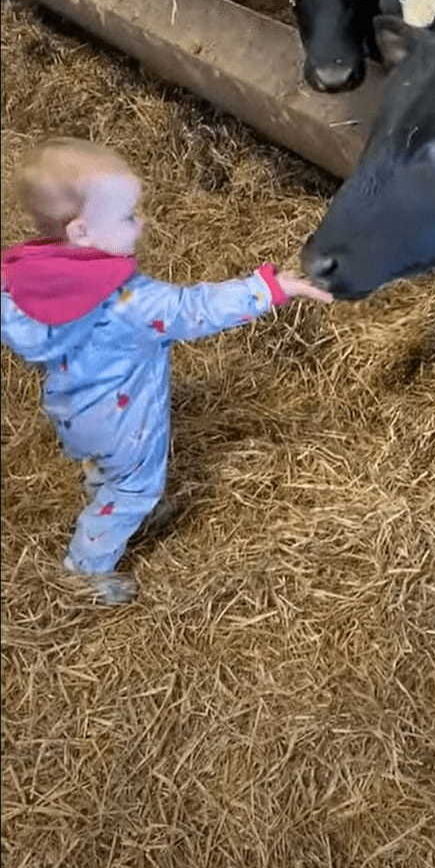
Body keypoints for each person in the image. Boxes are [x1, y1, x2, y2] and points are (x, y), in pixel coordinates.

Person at [1, 137, 332, 605]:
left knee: (105, 466)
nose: (141, 224)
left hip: (72, 408)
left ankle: (106, 485)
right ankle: (85, 568)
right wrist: (270, 288)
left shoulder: (32, 279)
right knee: (135, 487)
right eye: (128, 216)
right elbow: (193, 309)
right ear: (81, 233)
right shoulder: (128, 302)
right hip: (123, 425)